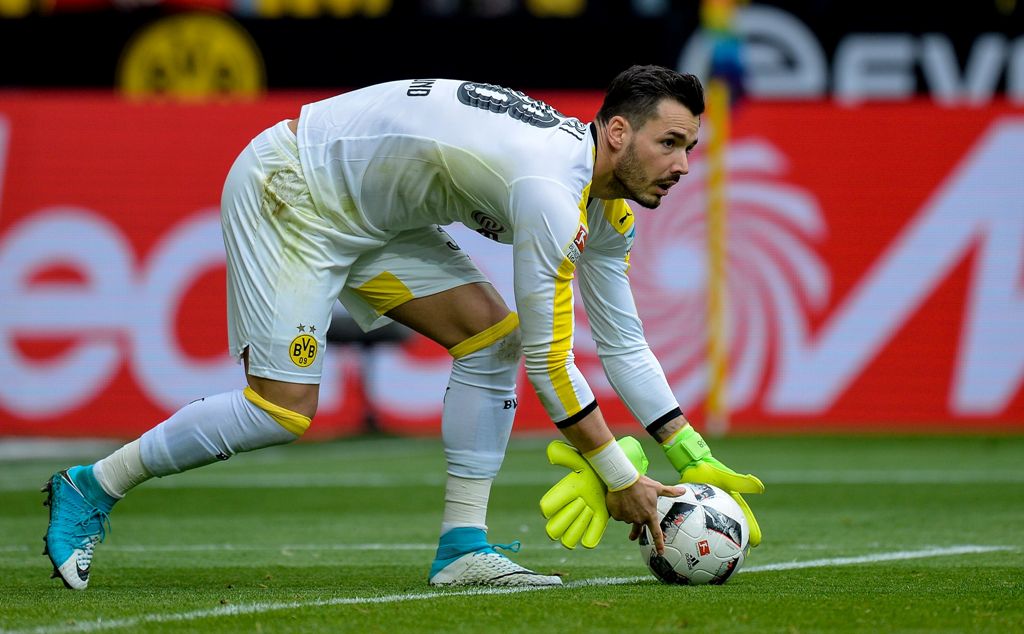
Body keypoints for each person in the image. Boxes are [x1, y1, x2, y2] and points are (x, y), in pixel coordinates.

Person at [41, 65, 763, 590]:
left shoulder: (605, 206)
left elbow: (624, 340)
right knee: (281, 409)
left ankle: (462, 550)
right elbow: (552, 365)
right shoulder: (550, 191)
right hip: (294, 187)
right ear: (616, 132)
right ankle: (93, 485)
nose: (682, 165)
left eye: (691, 148)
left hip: (375, 221)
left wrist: (688, 451)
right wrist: (619, 475)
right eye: (670, 143)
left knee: (492, 337)